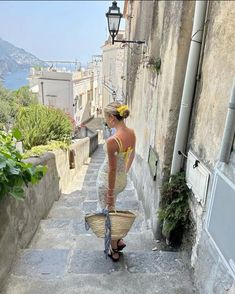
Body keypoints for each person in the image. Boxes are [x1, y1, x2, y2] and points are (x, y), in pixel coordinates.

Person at [96, 102, 136, 262]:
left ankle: (114, 246)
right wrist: (124, 172)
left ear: (112, 118)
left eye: (106, 118)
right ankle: (118, 240)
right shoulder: (131, 133)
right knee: (111, 210)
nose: (106, 122)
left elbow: (111, 170)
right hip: (121, 180)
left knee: (107, 213)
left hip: (107, 183)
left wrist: (110, 193)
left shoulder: (113, 141)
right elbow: (132, 155)